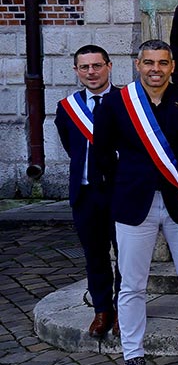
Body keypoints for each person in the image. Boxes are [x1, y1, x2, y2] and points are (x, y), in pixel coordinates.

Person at [89, 39, 178, 365]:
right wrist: (124, 186)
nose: (156, 69)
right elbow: (102, 155)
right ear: (138, 65)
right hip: (133, 204)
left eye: (163, 63)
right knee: (132, 285)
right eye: (149, 62)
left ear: (172, 66)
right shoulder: (116, 104)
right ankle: (133, 355)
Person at [55, 45, 121, 339]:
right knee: (95, 255)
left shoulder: (127, 101)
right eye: (85, 67)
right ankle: (102, 309)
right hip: (85, 194)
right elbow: (71, 146)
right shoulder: (67, 108)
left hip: (120, 193)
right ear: (76, 71)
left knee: (126, 256)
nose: (91, 72)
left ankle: (124, 309)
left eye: (97, 65)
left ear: (109, 66)